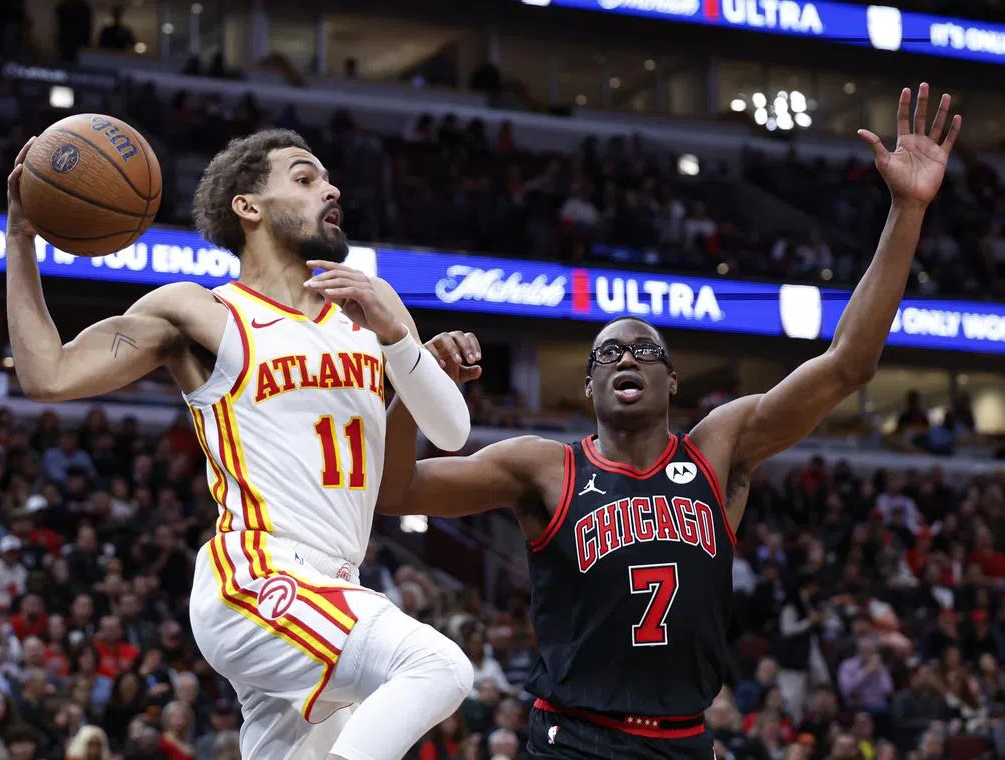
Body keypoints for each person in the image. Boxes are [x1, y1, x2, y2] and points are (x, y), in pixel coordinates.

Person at [377, 84, 960, 759]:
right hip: (575, 738)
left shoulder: (719, 447)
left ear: (672, 381)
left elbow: (848, 365)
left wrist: (907, 210)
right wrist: (412, 381)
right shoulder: (543, 466)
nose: (626, 357)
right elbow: (396, 492)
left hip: (684, 739)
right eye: (607, 354)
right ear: (589, 387)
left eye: (644, 350)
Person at [3, 128, 475, 759]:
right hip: (256, 573)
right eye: (305, 178)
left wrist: (403, 344)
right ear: (248, 206)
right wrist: (20, 237)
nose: (331, 189)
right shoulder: (202, 312)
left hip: (336, 583)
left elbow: (451, 432)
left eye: (328, 179)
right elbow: (48, 375)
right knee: (436, 666)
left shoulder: (369, 310)